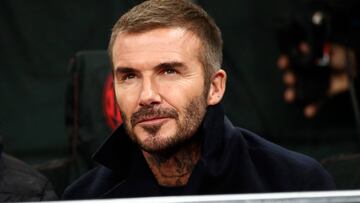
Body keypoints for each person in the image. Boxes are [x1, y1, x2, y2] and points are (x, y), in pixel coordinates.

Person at [63, 0, 335, 199]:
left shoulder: (293, 184)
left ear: (215, 87)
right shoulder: (85, 197)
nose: (147, 96)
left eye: (169, 71)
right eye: (130, 76)